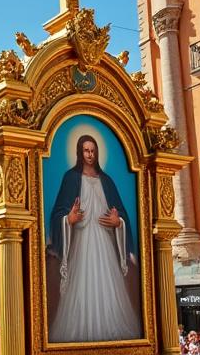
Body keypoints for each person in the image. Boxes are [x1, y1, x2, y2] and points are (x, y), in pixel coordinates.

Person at [47, 134, 139, 343]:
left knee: (108, 283)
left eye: (93, 150)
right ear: (80, 153)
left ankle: (110, 328)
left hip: (104, 242)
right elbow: (57, 214)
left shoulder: (106, 180)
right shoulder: (70, 178)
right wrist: (68, 219)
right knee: (81, 283)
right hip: (80, 242)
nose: (90, 155)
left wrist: (118, 222)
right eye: (86, 151)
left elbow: (121, 213)